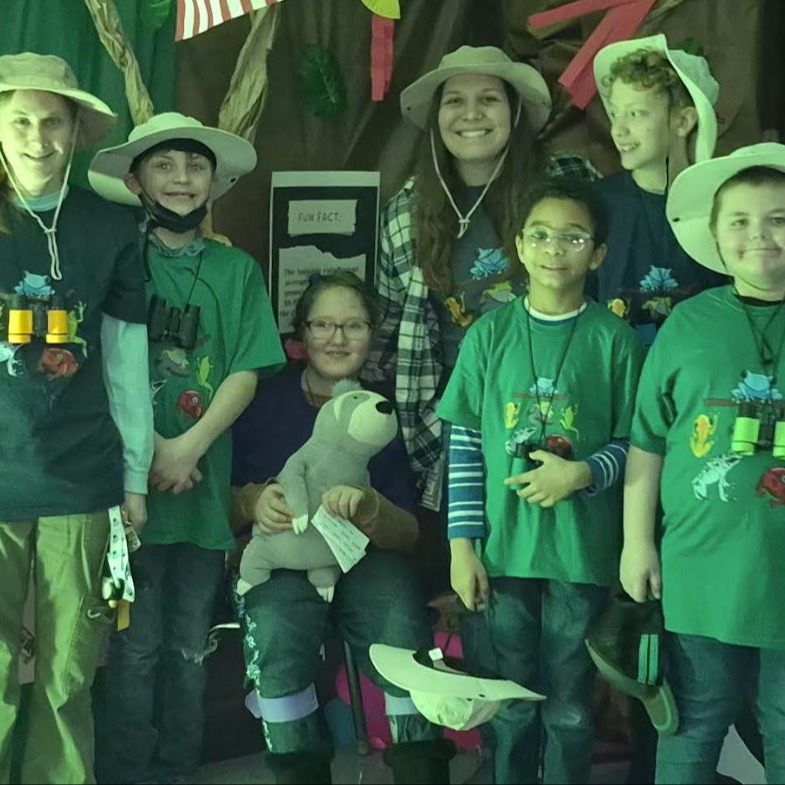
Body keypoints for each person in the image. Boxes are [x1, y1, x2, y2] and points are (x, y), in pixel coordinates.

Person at [88, 112, 285, 784]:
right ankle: (126, 770)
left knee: (188, 644)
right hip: (127, 491)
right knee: (134, 644)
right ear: (137, 178)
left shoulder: (236, 270)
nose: (179, 178)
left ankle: (178, 767)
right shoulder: (117, 257)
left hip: (201, 487)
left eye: (193, 166)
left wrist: (187, 445)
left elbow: (248, 366)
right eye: (164, 165)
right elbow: (102, 366)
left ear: (214, 182)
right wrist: (148, 452)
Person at [365, 45, 599, 594]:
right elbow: (389, 327)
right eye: (456, 101)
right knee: (477, 590)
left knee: (561, 588)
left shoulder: (565, 181)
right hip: (457, 424)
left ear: (515, 114)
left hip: (560, 411)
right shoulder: (405, 210)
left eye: (489, 99)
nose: (471, 114)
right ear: (436, 117)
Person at [437, 178, 645, 783]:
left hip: (580, 555)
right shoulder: (488, 335)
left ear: (598, 254)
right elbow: (468, 447)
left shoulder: (615, 340)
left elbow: (637, 444)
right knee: (508, 702)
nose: (557, 249)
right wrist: (461, 548)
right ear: (520, 248)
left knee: (571, 709)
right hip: (502, 554)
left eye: (574, 238)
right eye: (542, 236)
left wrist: (582, 473)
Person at [232, 271, 453, 785]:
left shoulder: (381, 410)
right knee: (277, 637)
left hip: (367, 559)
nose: (337, 338)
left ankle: (421, 769)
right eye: (324, 324)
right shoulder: (262, 399)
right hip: (282, 558)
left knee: (401, 624)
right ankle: (297, 772)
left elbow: (407, 534)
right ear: (301, 333)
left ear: (373, 334)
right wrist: (252, 501)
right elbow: (219, 499)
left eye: (353, 326)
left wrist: (370, 506)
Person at [0, 52, 152, 784]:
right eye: (20, 120)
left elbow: (126, 368)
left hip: (83, 482)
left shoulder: (112, 227)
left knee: (67, 675)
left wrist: (135, 480)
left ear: (76, 130)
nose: (36, 137)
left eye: (51, 121)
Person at [621, 143, 785, 785]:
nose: (759, 236)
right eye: (740, 221)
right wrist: (637, 543)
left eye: (778, 218)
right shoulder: (688, 323)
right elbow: (648, 441)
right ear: (715, 235)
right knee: (691, 729)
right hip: (699, 569)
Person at [591, 34, 724, 347]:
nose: (618, 129)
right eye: (614, 113)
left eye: (635, 113)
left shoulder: (721, 206)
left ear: (683, 120)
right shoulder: (595, 204)